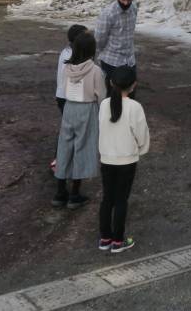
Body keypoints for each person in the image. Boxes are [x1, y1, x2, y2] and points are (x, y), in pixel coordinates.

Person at [97, 70, 150, 254]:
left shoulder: (104, 104)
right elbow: (142, 134)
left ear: (111, 83)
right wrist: (140, 149)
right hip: (127, 159)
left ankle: (105, 238)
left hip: (107, 158)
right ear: (133, 85)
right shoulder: (135, 107)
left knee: (107, 198)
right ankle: (118, 241)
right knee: (121, 200)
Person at [53, 31, 107, 209]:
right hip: (87, 109)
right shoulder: (96, 71)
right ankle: (75, 194)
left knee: (65, 147)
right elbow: (101, 95)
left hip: (69, 108)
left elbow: (63, 88)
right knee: (82, 148)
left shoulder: (67, 68)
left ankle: (60, 192)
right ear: (92, 50)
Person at [50, 23, 88, 172]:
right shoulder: (72, 56)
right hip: (68, 98)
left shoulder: (67, 52)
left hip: (64, 96)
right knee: (69, 131)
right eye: (86, 36)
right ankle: (59, 162)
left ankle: (65, 161)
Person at [96, 0, 138, 92]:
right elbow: (99, 38)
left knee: (130, 92)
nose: (126, 2)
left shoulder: (134, 8)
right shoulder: (108, 13)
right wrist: (101, 53)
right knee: (112, 95)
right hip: (111, 61)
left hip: (130, 60)